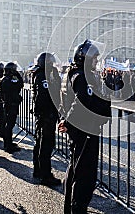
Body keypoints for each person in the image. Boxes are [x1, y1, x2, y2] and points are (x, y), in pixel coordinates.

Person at [58, 39, 112, 214]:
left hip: (83, 129)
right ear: (85, 58)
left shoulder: (76, 74)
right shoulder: (80, 76)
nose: (96, 61)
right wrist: (68, 121)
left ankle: (72, 208)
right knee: (84, 175)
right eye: (94, 58)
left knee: (76, 169)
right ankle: (77, 209)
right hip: (84, 130)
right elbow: (82, 101)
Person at [31, 52, 62, 186]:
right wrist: (46, 113)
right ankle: (45, 175)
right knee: (46, 144)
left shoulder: (43, 73)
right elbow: (44, 96)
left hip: (46, 114)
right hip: (46, 114)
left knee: (40, 142)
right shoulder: (43, 75)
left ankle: (38, 169)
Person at [0, 62, 24, 153]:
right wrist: (17, 74)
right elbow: (20, 84)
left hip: (8, 104)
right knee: (9, 125)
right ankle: (8, 145)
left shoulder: (4, 79)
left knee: (8, 124)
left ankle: (8, 143)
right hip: (11, 104)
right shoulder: (9, 80)